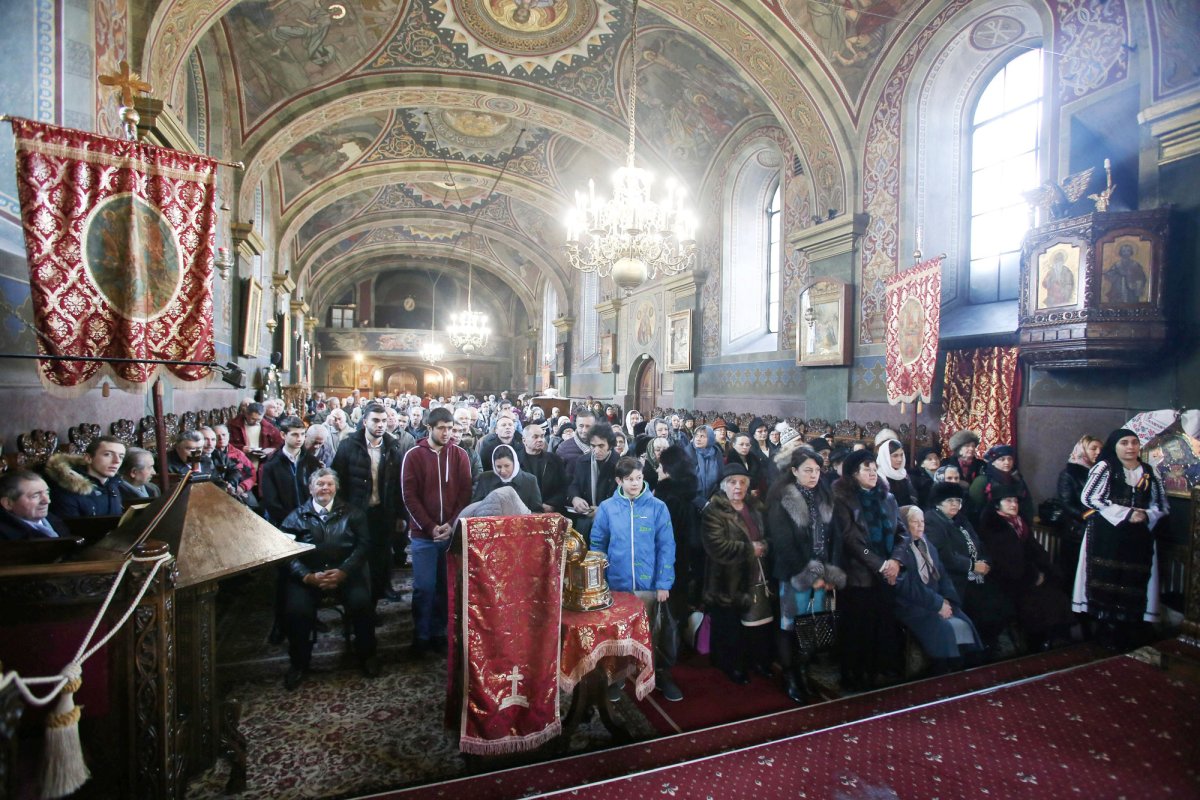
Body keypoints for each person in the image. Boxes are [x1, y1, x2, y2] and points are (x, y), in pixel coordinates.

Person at [590, 457, 680, 702]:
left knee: (653, 633)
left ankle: (660, 674)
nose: (635, 483)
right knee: (619, 635)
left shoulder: (657, 507)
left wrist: (663, 583)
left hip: (649, 584)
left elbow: (666, 547)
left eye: (639, 478)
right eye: (629, 479)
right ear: (619, 480)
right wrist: (599, 583)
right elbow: (598, 545)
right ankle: (616, 678)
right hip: (617, 585)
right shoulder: (608, 508)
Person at [279, 469, 378, 689]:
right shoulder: (295, 517)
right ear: (310, 488)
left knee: (362, 605)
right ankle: (298, 663)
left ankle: (367, 655)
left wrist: (344, 571)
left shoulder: (353, 513)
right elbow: (284, 553)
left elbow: (364, 546)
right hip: (309, 576)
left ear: (336, 488)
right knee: (296, 611)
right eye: (320, 484)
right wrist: (306, 576)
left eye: (329, 484)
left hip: (346, 574)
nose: (325, 488)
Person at [1073, 428, 1168, 651]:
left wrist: (1146, 514)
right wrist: (1126, 513)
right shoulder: (1105, 468)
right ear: (1115, 446)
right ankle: (1106, 628)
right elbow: (1089, 497)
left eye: (1134, 443)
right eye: (1124, 443)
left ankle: (1128, 627)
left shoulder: (1149, 471)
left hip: (1138, 536)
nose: (1130, 447)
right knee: (1107, 576)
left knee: (1133, 577)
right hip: (1107, 534)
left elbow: (1161, 504)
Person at [765, 447, 842, 703]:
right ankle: (790, 676)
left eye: (817, 470)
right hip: (795, 573)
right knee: (790, 625)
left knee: (812, 623)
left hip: (822, 572)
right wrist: (810, 574)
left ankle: (804, 669)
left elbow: (835, 537)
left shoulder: (824, 495)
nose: (813, 475)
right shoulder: (783, 498)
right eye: (808, 470)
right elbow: (783, 543)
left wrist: (831, 569)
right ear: (794, 471)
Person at [828, 449, 904, 691]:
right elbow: (850, 540)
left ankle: (877, 670)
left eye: (874, 469)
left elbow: (902, 533)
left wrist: (895, 561)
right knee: (856, 628)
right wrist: (881, 565)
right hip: (857, 575)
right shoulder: (843, 499)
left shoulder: (888, 498)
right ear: (853, 474)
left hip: (887, 573)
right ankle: (852, 675)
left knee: (881, 623)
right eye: (866, 469)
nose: (872, 473)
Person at [401, 407, 472, 657]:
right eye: (442, 428)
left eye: (450, 428)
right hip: (423, 536)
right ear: (429, 428)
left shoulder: (460, 455)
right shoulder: (414, 455)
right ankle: (420, 635)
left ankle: (439, 632)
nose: (447, 433)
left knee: (445, 587)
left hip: (451, 534)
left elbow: (465, 493)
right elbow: (409, 496)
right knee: (424, 587)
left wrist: (452, 524)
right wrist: (430, 527)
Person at [702, 462, 773, 685]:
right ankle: (731, 665)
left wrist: (765, 545)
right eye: (733, 482)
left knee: (757, 624)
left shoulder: (756, 506)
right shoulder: (714, 510)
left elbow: (769, 535)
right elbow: (716, 546)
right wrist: (750, 549)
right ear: (724, 486)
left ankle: (757, 661)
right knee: (730, 626)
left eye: (742, 482)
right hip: (726, 578)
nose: (738, 487)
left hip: (755, 575)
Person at [922, 481, 1012, 655]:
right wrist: (971, 566)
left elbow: (979, 545)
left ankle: (989, 642)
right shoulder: (932, 520)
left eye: (958, 501)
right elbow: (942, 555)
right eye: (950, 501)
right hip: (955, 579)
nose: (955, 504)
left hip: (978, 575)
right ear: (938, 502)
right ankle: (980, 648)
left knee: (1003, 603)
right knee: (982, 608)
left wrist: (985, 562)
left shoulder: (961, 520)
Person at [979, 488, 1073, 651]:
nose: (1013, 504)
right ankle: (1036, 642)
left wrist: (1044, 570)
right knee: (1035, 601)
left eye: (1015, 501)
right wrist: (1033, 575)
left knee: (1056, 593)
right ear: (997, 505)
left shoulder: (1020, 523)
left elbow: (1035, 550)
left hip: (1027, 572)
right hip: (1007, 577)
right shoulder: (994, 526)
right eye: (1008, 501)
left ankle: (1056, 637)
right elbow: (1005, 559)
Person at [893, 505, 981, 674]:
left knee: (965, 623)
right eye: (914, 522)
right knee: (944, 629)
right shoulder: (898, 549)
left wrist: (947, 599)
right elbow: (907, 587)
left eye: (922, 521)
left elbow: (943, 575)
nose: (920, 526)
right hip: (912, 605)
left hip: (936, 599)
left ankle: (963, 667)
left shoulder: (928, 545)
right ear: (904, 524)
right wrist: (938, 604)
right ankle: (942, 670)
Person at [331, 404, 404, 603]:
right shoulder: (349, 446)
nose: (381, 425)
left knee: (383, 552)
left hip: (383, 509)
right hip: (357, 510)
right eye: (375, 420)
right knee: (360, 553)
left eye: (383, 420)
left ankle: (383, 588)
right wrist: (342, 511)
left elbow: (397, 484)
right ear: (364, 422)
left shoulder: (392, 446)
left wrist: (400, 515)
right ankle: (362, 597)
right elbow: (339, 480)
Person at [654, 444, 701, 611]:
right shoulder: (687, 494)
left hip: (668, 563)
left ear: (668, 471)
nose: (657, 471)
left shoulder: (667, 500)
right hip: (684, 562)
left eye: (660, 467)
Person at [1055, 435, 1102, 583]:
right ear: (1083, 450)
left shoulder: (1102, 472)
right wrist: (1089, 515)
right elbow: (1067, 504)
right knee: (1073, 574)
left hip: (1098, 530)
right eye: (1093, 448)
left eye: (1101, 449)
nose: (1098, 452)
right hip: (1077, 530)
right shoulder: (1069, 473)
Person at [260, 417, 322, 526]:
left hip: (309, 521)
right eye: (295, 434)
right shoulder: (271, 465)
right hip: (283, 522)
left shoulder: (312, 462)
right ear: (283, 435)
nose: (300, 439)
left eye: (303, 434)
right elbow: (271, 501)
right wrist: (290, 520)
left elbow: (318, 493)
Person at [46, 436, 126, 519]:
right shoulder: (69, 488)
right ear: (88, 458)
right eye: (108, 454)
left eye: (121, 456)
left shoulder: (113, 484)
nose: (117, 461)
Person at [566, 423, 620, 537]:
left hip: (612, 519)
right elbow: (574, 484)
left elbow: (623, 495)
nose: (596, 450)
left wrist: (603, 509)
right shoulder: (582, 461)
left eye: (601, 446)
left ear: (610, 445)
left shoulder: (620, 464)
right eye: (593, 446)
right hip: (586, 518)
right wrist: (575, 498)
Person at [968, 445, 1033, 527]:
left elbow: (1027, 505)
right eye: (1002, 459)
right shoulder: (982, 481)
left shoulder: (1018, 479)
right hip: (989, 528)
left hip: (1017, 526)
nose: (1007, 462)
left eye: (1010, 459)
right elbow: (975, 508)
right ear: (993, 462)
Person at [0, 471, 70, 541]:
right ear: (8, 503)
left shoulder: (52, 519)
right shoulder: (6, 537)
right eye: (35, 496)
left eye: (47, 493)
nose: (47, 501)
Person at [472, 444, 542, 511]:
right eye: (498, 467)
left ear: (515, 463)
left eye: (507, 466)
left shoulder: (530, 481)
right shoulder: (485, 479)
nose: (502, 471)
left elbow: (537, 512)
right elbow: (474, 507)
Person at [518, 423, 569, 513]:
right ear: (524, 440)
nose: (540, 440)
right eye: (535, 437)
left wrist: (552, 504)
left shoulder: (555, 460)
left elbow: (564, 487)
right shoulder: (516, 461)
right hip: (523, 511)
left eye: (542, 436)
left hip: (551, 511)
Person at [688, 425, 723, 514]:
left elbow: (721, 478)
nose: (698, 439)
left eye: (702, 436)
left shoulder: (716, 453)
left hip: (713, 501)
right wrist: (702, 503)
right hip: (691, 504)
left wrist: (714, 499)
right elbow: (684, 484)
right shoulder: (687, 454)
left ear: (710, 439)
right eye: (696, 435)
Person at [557, 410, 595, 480]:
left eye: (588, 426)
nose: (584, 430)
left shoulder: (602, 446)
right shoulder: (564, 448)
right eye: (581, 426)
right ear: (576, 425)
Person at [876, 439, 915, 507]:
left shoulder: (903, 474)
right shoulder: (878, 477)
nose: (900, 459)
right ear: (886, 457)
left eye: (901, 455)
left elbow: (913, 498)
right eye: (895, 456)